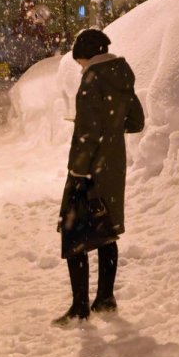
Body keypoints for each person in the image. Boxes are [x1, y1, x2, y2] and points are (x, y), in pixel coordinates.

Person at [53, 28, 144, 326]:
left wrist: (78, 173)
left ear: (85, 55)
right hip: (113, 165)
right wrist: (111, 126)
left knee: (73, 232)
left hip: (89, 167)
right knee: (106, 229)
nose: (80, 66)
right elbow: (136, 121)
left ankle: (80, 307)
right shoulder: (123, 75)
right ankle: (105, 298)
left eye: (79, 61)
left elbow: (87, 134)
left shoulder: (92, 79)